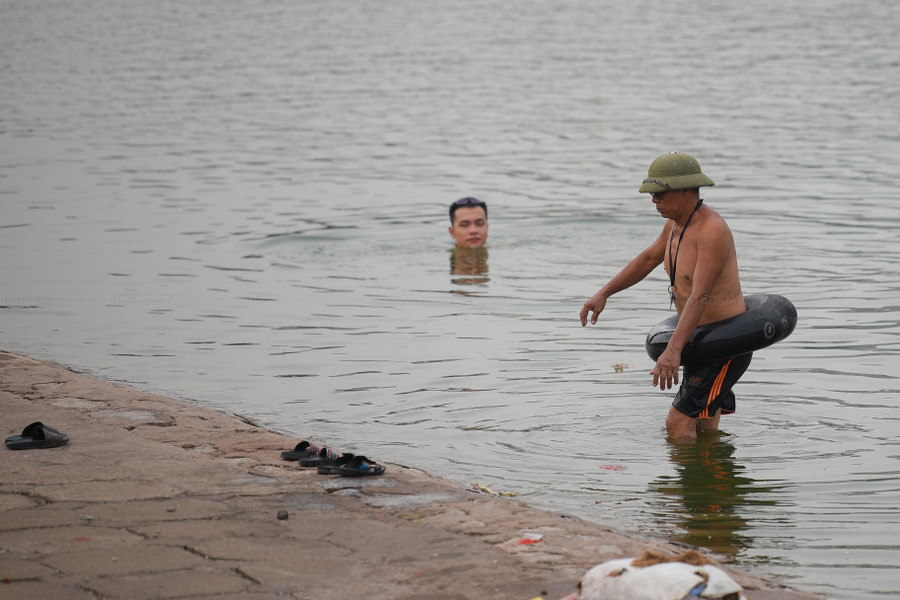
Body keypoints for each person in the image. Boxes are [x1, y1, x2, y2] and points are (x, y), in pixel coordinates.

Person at [579, 152, 750, 441]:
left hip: (724, 344)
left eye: (660, 193)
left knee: (677, 425)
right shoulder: (675, 224)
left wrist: (672, 352)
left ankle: (687, 486)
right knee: (702, 426)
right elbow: (648, 259)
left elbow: (700, 296)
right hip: (699, 339)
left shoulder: (712, 230)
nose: (654, 200)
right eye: (652, 194)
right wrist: (603, 293)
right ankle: (709, 482)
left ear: (685, 191)